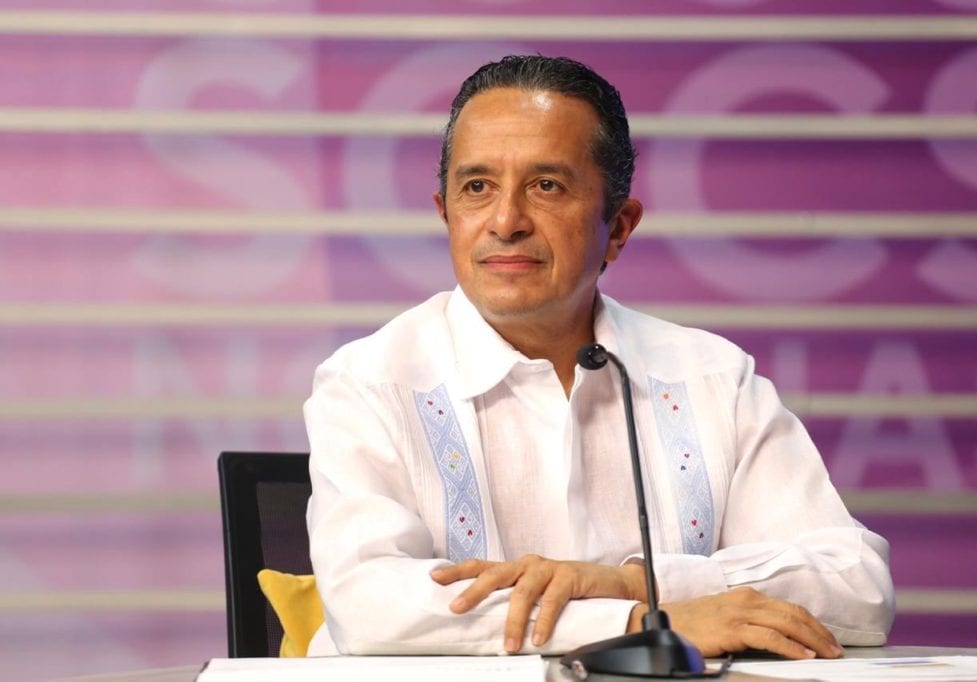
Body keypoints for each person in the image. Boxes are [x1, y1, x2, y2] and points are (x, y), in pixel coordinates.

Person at [304, 55, 894, 660]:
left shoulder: (713, 377)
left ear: (618, 227)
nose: (505, 222)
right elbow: (369, 607)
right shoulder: (369, 381)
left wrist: (633, 583)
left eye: (546, 186)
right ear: (445, 213)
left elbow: (858, 586)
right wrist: (643, 624)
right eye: (477, 187)